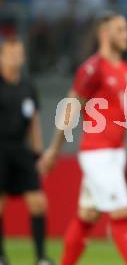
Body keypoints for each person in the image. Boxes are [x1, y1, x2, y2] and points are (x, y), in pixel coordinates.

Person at [38, 11, 127, 265]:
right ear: (105, 34)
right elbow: (70, 108)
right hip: (97, 153)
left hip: (115, 153)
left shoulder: (126, 70)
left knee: (87, 214)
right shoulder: (92, 69)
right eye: (121, 30)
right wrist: (54, 149)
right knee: (122, 213)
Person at [0, 37, 55, 265]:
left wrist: (38, 153)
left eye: (19, 54)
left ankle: (41, 257)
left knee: (38, 202)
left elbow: (34, 122)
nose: (15, 58)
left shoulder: (28, 87)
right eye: (11, 53)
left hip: (21, 149)